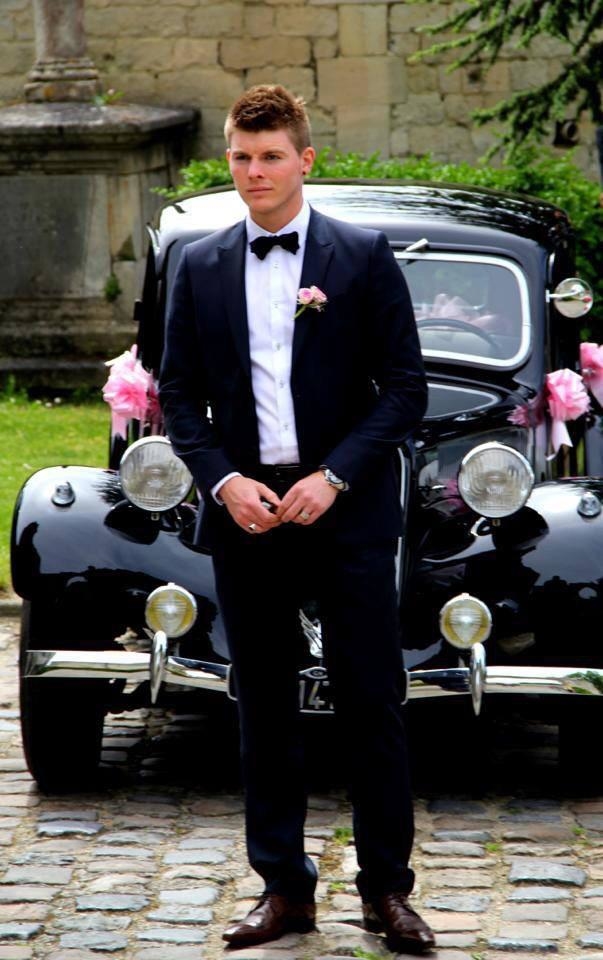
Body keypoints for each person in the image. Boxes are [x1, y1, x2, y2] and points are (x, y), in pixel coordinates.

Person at [159, 84, 434, 954]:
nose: (254, 172)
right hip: (248, 515)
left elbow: (404, 390)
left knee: (371, 700)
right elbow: (177, 394)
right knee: (264, 703)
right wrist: (222, 481)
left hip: (344, 512)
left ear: (304, 160)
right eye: (241, 157)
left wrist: (336, 475)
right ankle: (283, 888)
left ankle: (386, 891)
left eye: (271, 156)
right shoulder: (199, 263)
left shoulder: (360, 255)